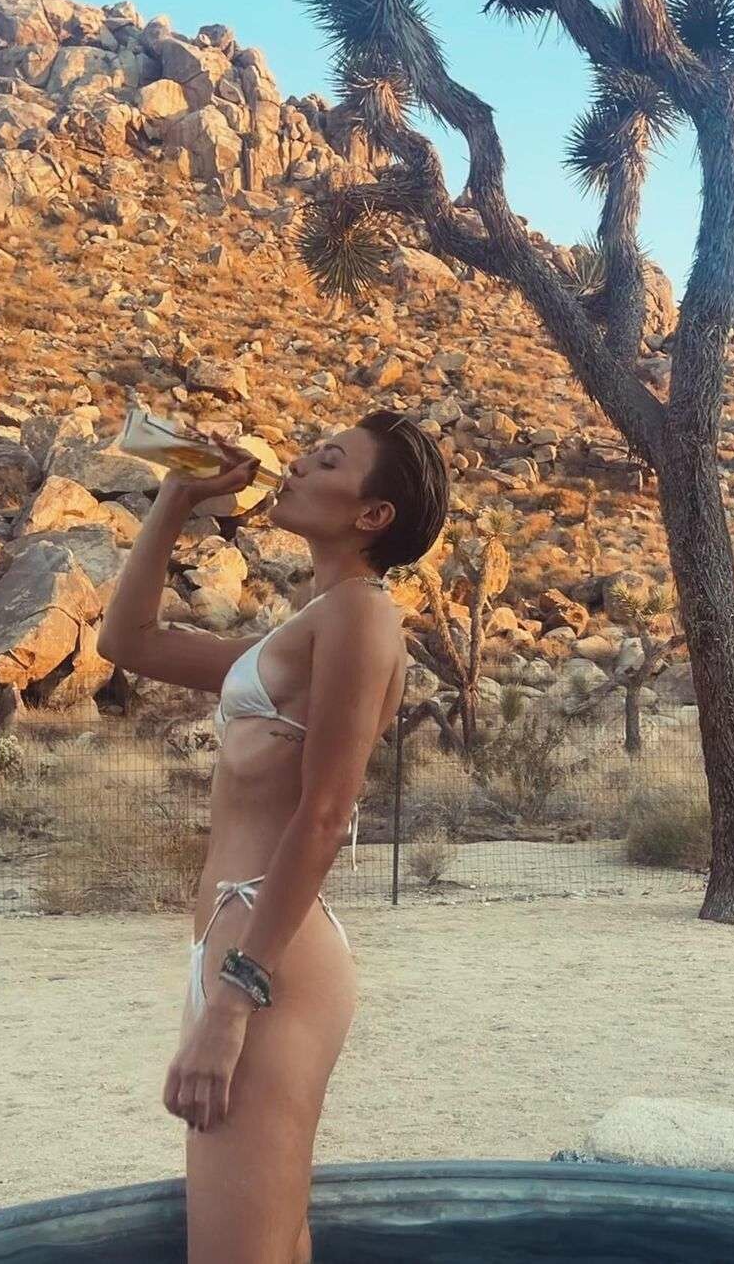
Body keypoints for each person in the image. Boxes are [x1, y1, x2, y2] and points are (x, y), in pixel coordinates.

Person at [97, 410, 449, 1264]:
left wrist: (232, 1000)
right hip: (246, 949)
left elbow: (325, 813)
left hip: (265, 964)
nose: (294, 463)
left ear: (372, 515)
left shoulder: (362, 615)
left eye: (327, 460)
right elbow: (126, 639)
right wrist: (177, 496)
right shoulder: (309, 624)